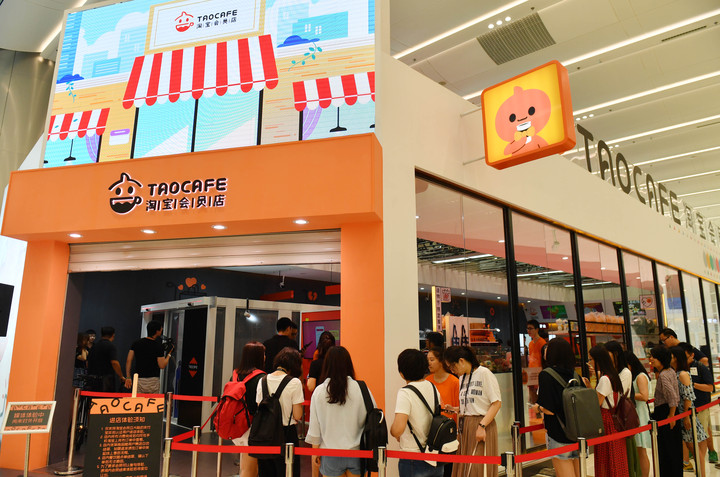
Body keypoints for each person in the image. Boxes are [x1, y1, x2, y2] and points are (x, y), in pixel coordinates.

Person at [306, 346, 372, 477]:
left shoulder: (319, 392)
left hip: (330, 454)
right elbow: (372, 418)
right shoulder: (362, 388)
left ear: (327, 365)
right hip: (358, 453)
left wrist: (315, 453)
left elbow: (315, 429)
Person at [444, 345, 501, 477]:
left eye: (452, 366)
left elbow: (496, 403)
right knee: (465, 470)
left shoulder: (484, 373)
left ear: (461, 361)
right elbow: (473, 404)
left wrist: (482, 426)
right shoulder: (462, 378)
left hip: (482, 425)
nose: (452, 370)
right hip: (465, 427)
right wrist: (455, 409)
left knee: (478, 470)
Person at [391, 348, 445, 477]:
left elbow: (398, 429)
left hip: (412, 457)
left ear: (402, 373)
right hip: (435, 456)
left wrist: (393, 431)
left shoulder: (405, 393)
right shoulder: (432, 387)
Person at [535, 338, 582, 477]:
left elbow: (549, 410)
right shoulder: (575, 374)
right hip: (577, 432)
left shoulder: (546, 375)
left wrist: (538, 408)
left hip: (558, 433)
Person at [256, 347, 304, 477]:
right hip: (286, 434)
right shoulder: (295, 382)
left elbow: (260, 407)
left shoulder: (262, 380)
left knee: (266, 472)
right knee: (288, 472)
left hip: (265, 434)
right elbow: (297, 415)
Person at [583, 344, 628, 477]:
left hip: (606, 420)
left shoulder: (604, 379)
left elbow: (597, 403)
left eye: (591, 359)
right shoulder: (613, 375)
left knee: (606, 456)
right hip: (614, 418)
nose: (590, 362)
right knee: (615, 456)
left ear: (598, 360)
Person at [669, 346, 708, 475]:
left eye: (671, 356)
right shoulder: (675, 373)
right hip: (682, 414)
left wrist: (686, 416)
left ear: (676, 358)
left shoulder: (683, 374)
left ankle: (701, 474)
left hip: (686, 414)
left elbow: (688, 397)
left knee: (694, 447)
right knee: (693, 446)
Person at [678, 342, 717, 466]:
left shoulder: (700, 367)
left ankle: (702, 462)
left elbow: (710, 387)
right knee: (690, 436)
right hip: (686, 409)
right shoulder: (680, 369)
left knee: (702, 435)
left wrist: (692, 385)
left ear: (692, 355)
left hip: (700, 407)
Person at [604, 341, 638, 477]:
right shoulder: (612, 372)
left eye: (608, 353)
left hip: (620, 416)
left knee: (624, 456)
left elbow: (617, 393)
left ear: (615, 354)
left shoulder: (625, 372)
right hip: (614, 416)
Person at [233, 342, 266, 477]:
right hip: (251, 428)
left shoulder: (235, 374)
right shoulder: (261, 378)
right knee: (250, 470)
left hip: (237, 425)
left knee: (245, 466)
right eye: (263, 354)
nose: (265, 357)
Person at [649, 345, 682, 477]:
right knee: (674, 448)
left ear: (661, 358)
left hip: (666, 413)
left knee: (667, 449)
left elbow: (672, 396)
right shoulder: (671, 371)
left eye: (654, 357)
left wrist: (671, 416)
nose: (651, 359)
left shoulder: (663, 375)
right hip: (671, 411)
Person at [426, 347, 459, 477]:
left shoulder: (454, 382)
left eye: (432, 359)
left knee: (448, 470)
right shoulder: (427, 381)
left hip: (449, 434)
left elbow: (458, 409)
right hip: (432, 433)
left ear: (441, 361)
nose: (429, 363)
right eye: (428, 360)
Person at [124, 321, 173, 393]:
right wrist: (169, 354)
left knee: (139, 400)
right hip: (153, 380)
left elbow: (129, 360)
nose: (162, 329)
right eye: (161, 328)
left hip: (139, 379)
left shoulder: (136, 343)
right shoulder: (158, 346)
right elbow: (162, 365)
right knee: (152, 400)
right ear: (157, 331)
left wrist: (128, 377)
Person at [624, 351, 651, 477]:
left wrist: (627, 394)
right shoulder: (634, 376)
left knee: (641, 451)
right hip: (635, 412)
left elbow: (644, 396)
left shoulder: (640, 376)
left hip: (640, 413)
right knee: (637, 450)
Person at [87, 326, 126, 392]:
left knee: (93, 397)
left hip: (92, 379)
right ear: (113, 335)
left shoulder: (94, 346)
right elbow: (114, 362)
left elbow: (87, 362)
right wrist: (121, 376)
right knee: (105, 397)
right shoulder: (110, 346)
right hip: (106, 380)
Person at [526, 319, 546, 407]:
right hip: (531, 371)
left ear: (537, 329)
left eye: (530, 328)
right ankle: (536, 411)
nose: (528, 331)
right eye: (527, 328)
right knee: (532, 393)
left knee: (540, 394)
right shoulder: (530, 343)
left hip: (539, 371)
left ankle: (539, 410)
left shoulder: (542, 342)